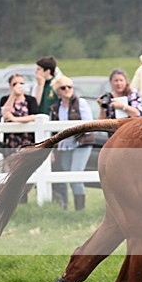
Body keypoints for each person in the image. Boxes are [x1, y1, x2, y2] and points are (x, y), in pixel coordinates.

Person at [49, 75, 94, 211]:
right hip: (65, 145)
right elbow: (52, 130)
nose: (67, 89)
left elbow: (88, 124)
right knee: (68, 174)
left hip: (82, 142)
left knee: (75, 174)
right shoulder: (55, 108)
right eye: (63, 87)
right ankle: (69, 208)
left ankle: (80, 210)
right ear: (58, 91)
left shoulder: (81, 103)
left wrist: (72, 133)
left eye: (70, 87)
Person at [0, 74, 38, 202]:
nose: (19, 86)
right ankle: (19, 201)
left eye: (21, 83)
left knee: (27, 172)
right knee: (15, 173)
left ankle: (23, 196)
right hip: (12, 142)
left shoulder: (30, 100)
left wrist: (15, 119)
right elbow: (5, 113)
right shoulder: (5, 99)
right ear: (10, 86)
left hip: (27, 142)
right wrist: (13, 95)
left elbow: (35, 116)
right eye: (15, 84)